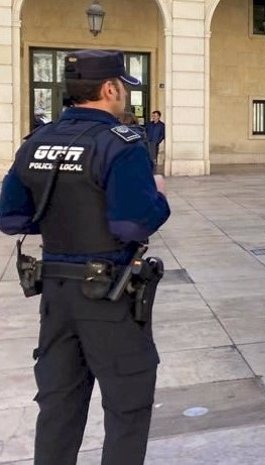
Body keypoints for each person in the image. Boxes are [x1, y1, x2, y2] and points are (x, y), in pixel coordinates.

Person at [0, 49, 171, 465]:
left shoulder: (36, 142)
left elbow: (11, 217)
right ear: (110, 88)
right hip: (108, 295)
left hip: (56, 294)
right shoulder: (122, 143)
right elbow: (132, 225)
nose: (125, 98)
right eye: (123, 89)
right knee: (127, 404)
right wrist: (159, 198)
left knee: (59, 405)